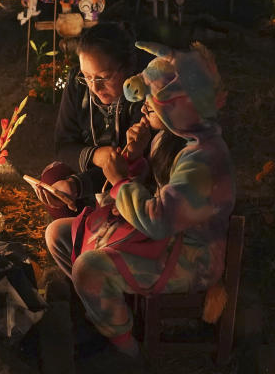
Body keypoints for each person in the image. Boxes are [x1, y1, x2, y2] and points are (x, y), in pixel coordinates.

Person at [43, 41, 234, 365]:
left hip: (190, 258)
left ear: (178, 107)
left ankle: (125, 350)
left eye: (152, 103)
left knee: (88, 267)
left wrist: (120, 180)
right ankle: (104, 312)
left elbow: (158, 219)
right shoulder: (172, 139)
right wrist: (132, 157)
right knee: (60, 234)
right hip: (163, 239)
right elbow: (153, 188)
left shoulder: (203, 159)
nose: (144, 108)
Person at [37, 23, 146, 218]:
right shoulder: (78, 83)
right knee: (52, 179)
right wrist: (96, 156)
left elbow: (130, 163)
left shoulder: (140, 95)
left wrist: (78, 184)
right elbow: (63, 145)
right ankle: (78, 236)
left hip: (129, 179)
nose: (95, 87)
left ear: (127, 68)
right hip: (87, 169)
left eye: (104, 77)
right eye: (87, 76)